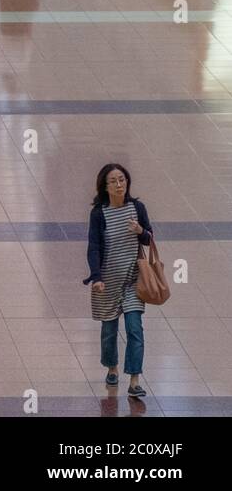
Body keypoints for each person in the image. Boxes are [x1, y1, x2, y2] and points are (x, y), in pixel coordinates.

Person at [85, 163, 153, 399]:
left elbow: (149, 239)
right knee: (109, 331)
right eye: (113, 181)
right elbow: (93, 246)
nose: (119, 184)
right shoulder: (99, 214)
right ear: (105, 186)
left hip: (134, 281)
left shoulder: (137, 208)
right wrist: (96, 276)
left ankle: (134, 380)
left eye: (122, 179)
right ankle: (112, 367)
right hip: (107, 281)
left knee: (135, 329)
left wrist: (140, 231)